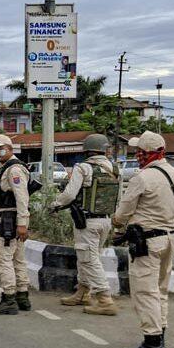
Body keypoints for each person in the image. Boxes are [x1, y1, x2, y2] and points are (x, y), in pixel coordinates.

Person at [113, 131, 174, 348]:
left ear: (147, 153)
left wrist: (117, 224)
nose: (137, 155)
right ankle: (160, 336)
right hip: (170, 238)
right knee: (160, 291)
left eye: (139, 151)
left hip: (147, 242)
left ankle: (152, 343)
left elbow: (123, 212)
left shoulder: (142, 178)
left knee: (145, 291)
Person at [51, 133, 119, 315]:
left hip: (87, 222)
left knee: (89, 260)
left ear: (87, 150)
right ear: (104, 150)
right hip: (106, 221)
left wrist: (55, 204)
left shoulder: (83, 168)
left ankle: (105, 300)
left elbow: (69, 194)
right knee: (87, 257)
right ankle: (82, 293)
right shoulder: (114, 168)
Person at [0, 135, 32, 315]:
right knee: (17, 258)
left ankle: (9, 299)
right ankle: (22, 296)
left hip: (9, 219)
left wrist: (22, 224)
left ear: (10, 148)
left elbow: (22, 198)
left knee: (2, 258)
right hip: (12, 219)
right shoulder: (7, 167)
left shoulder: (14, 169)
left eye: (0, 148)